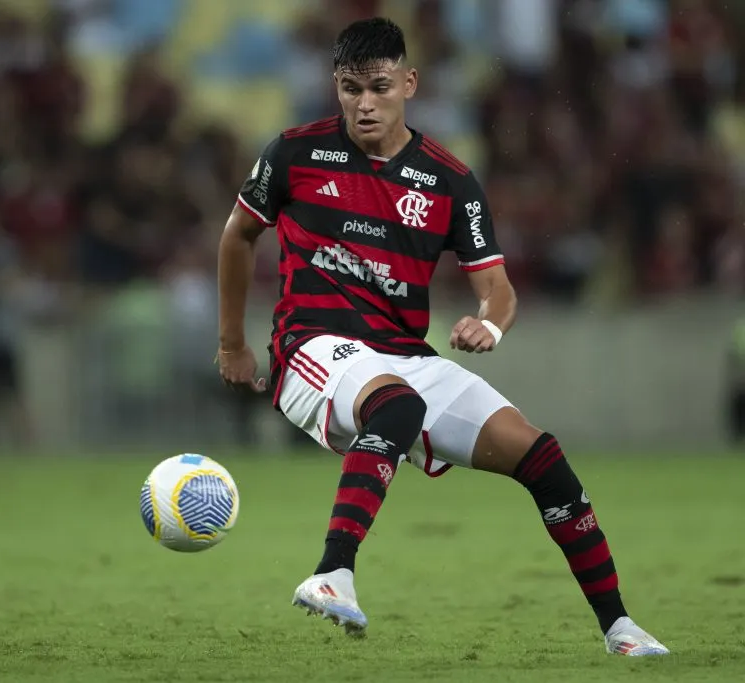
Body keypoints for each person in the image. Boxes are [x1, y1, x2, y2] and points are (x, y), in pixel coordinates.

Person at [215, 17, 668, 656]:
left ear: (410, 82)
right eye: (350, 89)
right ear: (335, 88)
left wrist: (489, 323)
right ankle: (331, 572)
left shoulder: (448, 180)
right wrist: (233, 342)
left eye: (378, 87)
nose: (364, 104)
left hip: (402, 356)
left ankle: (621, 628)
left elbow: (498, 288)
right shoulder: (293, 152)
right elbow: (237, 233)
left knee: (543, 458)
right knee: (397, 404)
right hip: (310, 347)